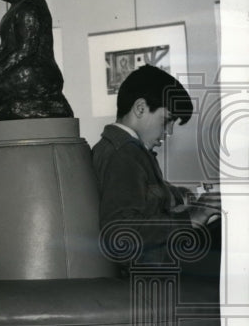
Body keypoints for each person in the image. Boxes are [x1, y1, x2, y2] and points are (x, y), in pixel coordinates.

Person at [91, 64, 221, 273]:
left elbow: (145, 192)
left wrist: (186, 196)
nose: (168, 131)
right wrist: (191, 218)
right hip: (155, 264)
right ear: (141, 108)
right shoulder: (123, 154)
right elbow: (120, 232)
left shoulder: (127, 149)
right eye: (167, 120)